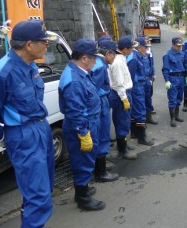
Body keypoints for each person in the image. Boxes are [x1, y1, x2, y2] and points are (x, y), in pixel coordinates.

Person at [0, 20, 55, 227]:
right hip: (23, 134)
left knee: (43, 186)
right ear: (29, 44)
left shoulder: (30, 64)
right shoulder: (2, 73)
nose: (47, 45)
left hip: (40, 127)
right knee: (38, 195)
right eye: (44, 42)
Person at [58, 39, 105, 211]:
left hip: (89, 122)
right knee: (82, 161)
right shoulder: (75, 80)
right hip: (82, 126)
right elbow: (75, 111)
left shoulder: (79, 72)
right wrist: (83, 133)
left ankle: (81, 190)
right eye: (94, 58)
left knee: (86, 159)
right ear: (85, 58)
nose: (96, 62)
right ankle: (83, 198)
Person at [91, 39, 119, 182]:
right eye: (114, 54)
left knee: (102, 134)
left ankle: (100, 167)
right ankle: (100, 172)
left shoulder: (98, 63)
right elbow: (93, 90)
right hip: (99, 102)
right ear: (108, 53)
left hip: (101, 101)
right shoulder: (100, 66)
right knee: (102, 134)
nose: (114, 58)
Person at [108, 36, 138, 159]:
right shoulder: (118, 62)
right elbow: (119, 83)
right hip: (121, 94)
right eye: (131, 48)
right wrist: (124, 98)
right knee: (123, 121)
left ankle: (123, 143)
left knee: (120, 119)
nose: (132, 50)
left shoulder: (120, 58)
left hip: (120, 93)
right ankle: (122, 149)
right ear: (125, 49)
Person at [127, 37, 154, 146]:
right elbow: (131, 76)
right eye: (145, 47)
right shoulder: (134, 58)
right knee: (140, 111)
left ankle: (134, 133)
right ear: (140, 48)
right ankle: (142, 137)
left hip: (136, 86)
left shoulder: (135, 56)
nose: (146, 50)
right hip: (136, 87)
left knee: (134, 111)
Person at [162, 37, 186, 127]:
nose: (179, 48)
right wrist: (167, 80)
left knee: (179, 98)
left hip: (181, 78)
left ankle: (177, 115)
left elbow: (184, 66)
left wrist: (186, 76)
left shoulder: (182, 54)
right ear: (173, 45)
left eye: (180, 46)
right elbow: (165, 69)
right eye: (177, 46)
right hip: (173, 78)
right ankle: (172, 119)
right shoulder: (167, 55)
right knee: (172, 99)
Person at [143, 37, 158, 124]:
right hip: (144, 79)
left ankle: (148, 113)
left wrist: (153, 74)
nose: (149, 44)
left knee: (149, 95)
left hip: (149, 77)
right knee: (145, 97)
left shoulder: (150, 52)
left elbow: (151, 64)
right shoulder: (142, 54)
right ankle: (146, 116)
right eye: (147, 42)